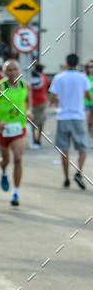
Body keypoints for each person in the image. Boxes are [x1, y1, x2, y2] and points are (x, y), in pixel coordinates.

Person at [0, 59, 29, 207]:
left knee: (18, 158)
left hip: (19, 127)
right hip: (3, 129)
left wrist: (29, 112)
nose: (13, 72)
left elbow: (29, 103)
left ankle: (16, 192)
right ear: (4, 72)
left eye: (15, 69)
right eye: (9, 70)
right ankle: (4, 172)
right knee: (5, 160)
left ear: (19, 70)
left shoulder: (25, 85)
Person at [49, 53, 91, 189]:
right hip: (78, 116)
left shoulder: (58, 77)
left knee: (64, 149)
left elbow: (53, 97)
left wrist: (57, 100)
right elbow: (88, 96)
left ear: (66, 63)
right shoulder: (83, 77)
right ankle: (78, 172)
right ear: (78, 64)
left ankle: (66, 178)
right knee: (83, 148)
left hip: (63, 117)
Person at [30, 63, 49, 147]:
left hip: (33, 102)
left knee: (32, 121)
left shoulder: (32, 77)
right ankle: (39, 139)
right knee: (41, 121)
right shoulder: (44, 77)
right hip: (43, 101)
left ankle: (34, 139)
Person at [84, 59, 93, 145]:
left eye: (92, 66)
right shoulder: (85, 77)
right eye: (89, 67)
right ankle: (84, 139)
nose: (91, 68)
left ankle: (92, 140)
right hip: (86, 103)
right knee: (86, 122)